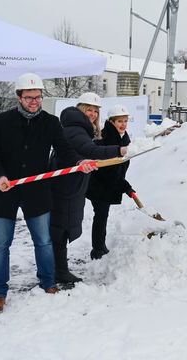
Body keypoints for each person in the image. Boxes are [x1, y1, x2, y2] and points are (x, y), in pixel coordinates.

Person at [0, 73, 96, 315]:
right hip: (6, 191)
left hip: (37, 191)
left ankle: (48, 282)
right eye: (29, 97)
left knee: (43, 241)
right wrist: (0, 177)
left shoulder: (51, 122)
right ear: (19, 97)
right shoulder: (2, 121)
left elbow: (65, 150)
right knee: (0, 245)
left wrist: (79, 162)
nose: (34, 101)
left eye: (38, 97)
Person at [49, 93, 126, 283]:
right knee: (61, 228)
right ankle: (59, 271)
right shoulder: (76, 129)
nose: (92, 114)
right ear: (81, 109)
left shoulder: (81, 128)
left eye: (95, 111)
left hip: (71, 185)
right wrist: (119, 150)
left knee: (63, 227)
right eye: (89, 110)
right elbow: (90, 150)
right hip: (65, 186)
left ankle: (58, 268)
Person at [86, 104, 135, 260]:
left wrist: (123, 183)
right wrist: (125, 186)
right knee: (100, 215)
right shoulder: (104, 137)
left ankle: (100, 246)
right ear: (112, 122)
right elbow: (107, 169)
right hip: (99, 184)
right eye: (119, 121)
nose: (123, 124)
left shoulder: (124, 138)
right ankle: (98, 249)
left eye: (125, 121)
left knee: (102, 215)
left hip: (111, 183)